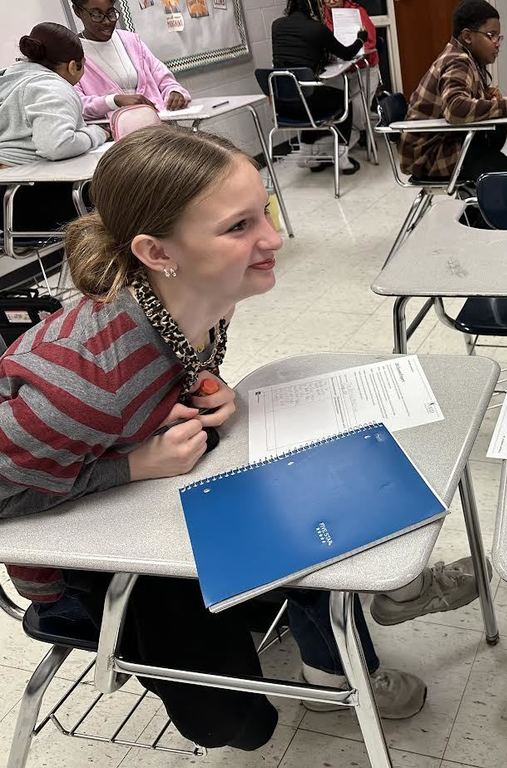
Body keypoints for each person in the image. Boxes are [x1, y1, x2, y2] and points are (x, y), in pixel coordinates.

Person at [0, 125, 429, 749]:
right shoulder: (86, 387)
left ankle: (351, 627)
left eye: (266, 214)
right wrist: (132, 467)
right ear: (157, 251)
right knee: (238, 724)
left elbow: (170, 367)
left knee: (307, 485)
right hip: (79, 569)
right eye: (239, 227)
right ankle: (329, 647)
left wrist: (203, 388)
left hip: (142, 491)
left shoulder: (191, 298)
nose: (273, 240)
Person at [399, 0, 507, 183]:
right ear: (468, 37)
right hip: (429, 155)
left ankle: (479, 209)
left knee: (498, 135)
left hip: (443, 144)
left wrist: (488, 96)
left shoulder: (467, 58)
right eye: (491, 35)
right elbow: (456, 109)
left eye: (499, 37)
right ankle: (482, 208)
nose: (497, 43)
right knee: (505, 173)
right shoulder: (458, 61)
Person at [0, 23, 107, 233]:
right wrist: (97, 133)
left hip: (6, 201)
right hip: (25, 202)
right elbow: (57, 145)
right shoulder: (52, 86)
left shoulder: (7, 79)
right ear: (73, 66)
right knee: (122, 191)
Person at [272, 0, 368, 174]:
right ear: (313, 5)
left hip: (282, 104)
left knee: (308, 95)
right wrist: (361, 39)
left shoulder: (276, 26)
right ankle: (342, 157)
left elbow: (292, 56)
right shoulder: (317, 29)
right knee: (343, 98)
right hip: (307, 104)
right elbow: (347, 53)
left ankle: (305, 154)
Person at [71, 0, 192, 120]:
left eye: (111, 13)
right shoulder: (71, 54)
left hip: (157, 125)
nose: (107, 21)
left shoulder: (131, 41)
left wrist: (174, 91)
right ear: (78, 11)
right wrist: (114, 100)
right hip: (118, 135)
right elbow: (77, 106)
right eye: (97, 15)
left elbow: (163, 78)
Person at [321, 0, 381, 145]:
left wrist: (351, 50)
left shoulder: (357, 11)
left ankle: (351, 137)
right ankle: (341, 140)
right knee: (332, 104)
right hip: (338, 69)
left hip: (363, 68)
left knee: (358, 112)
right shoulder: (321, 15)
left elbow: (370, 41)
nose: (331, 1)